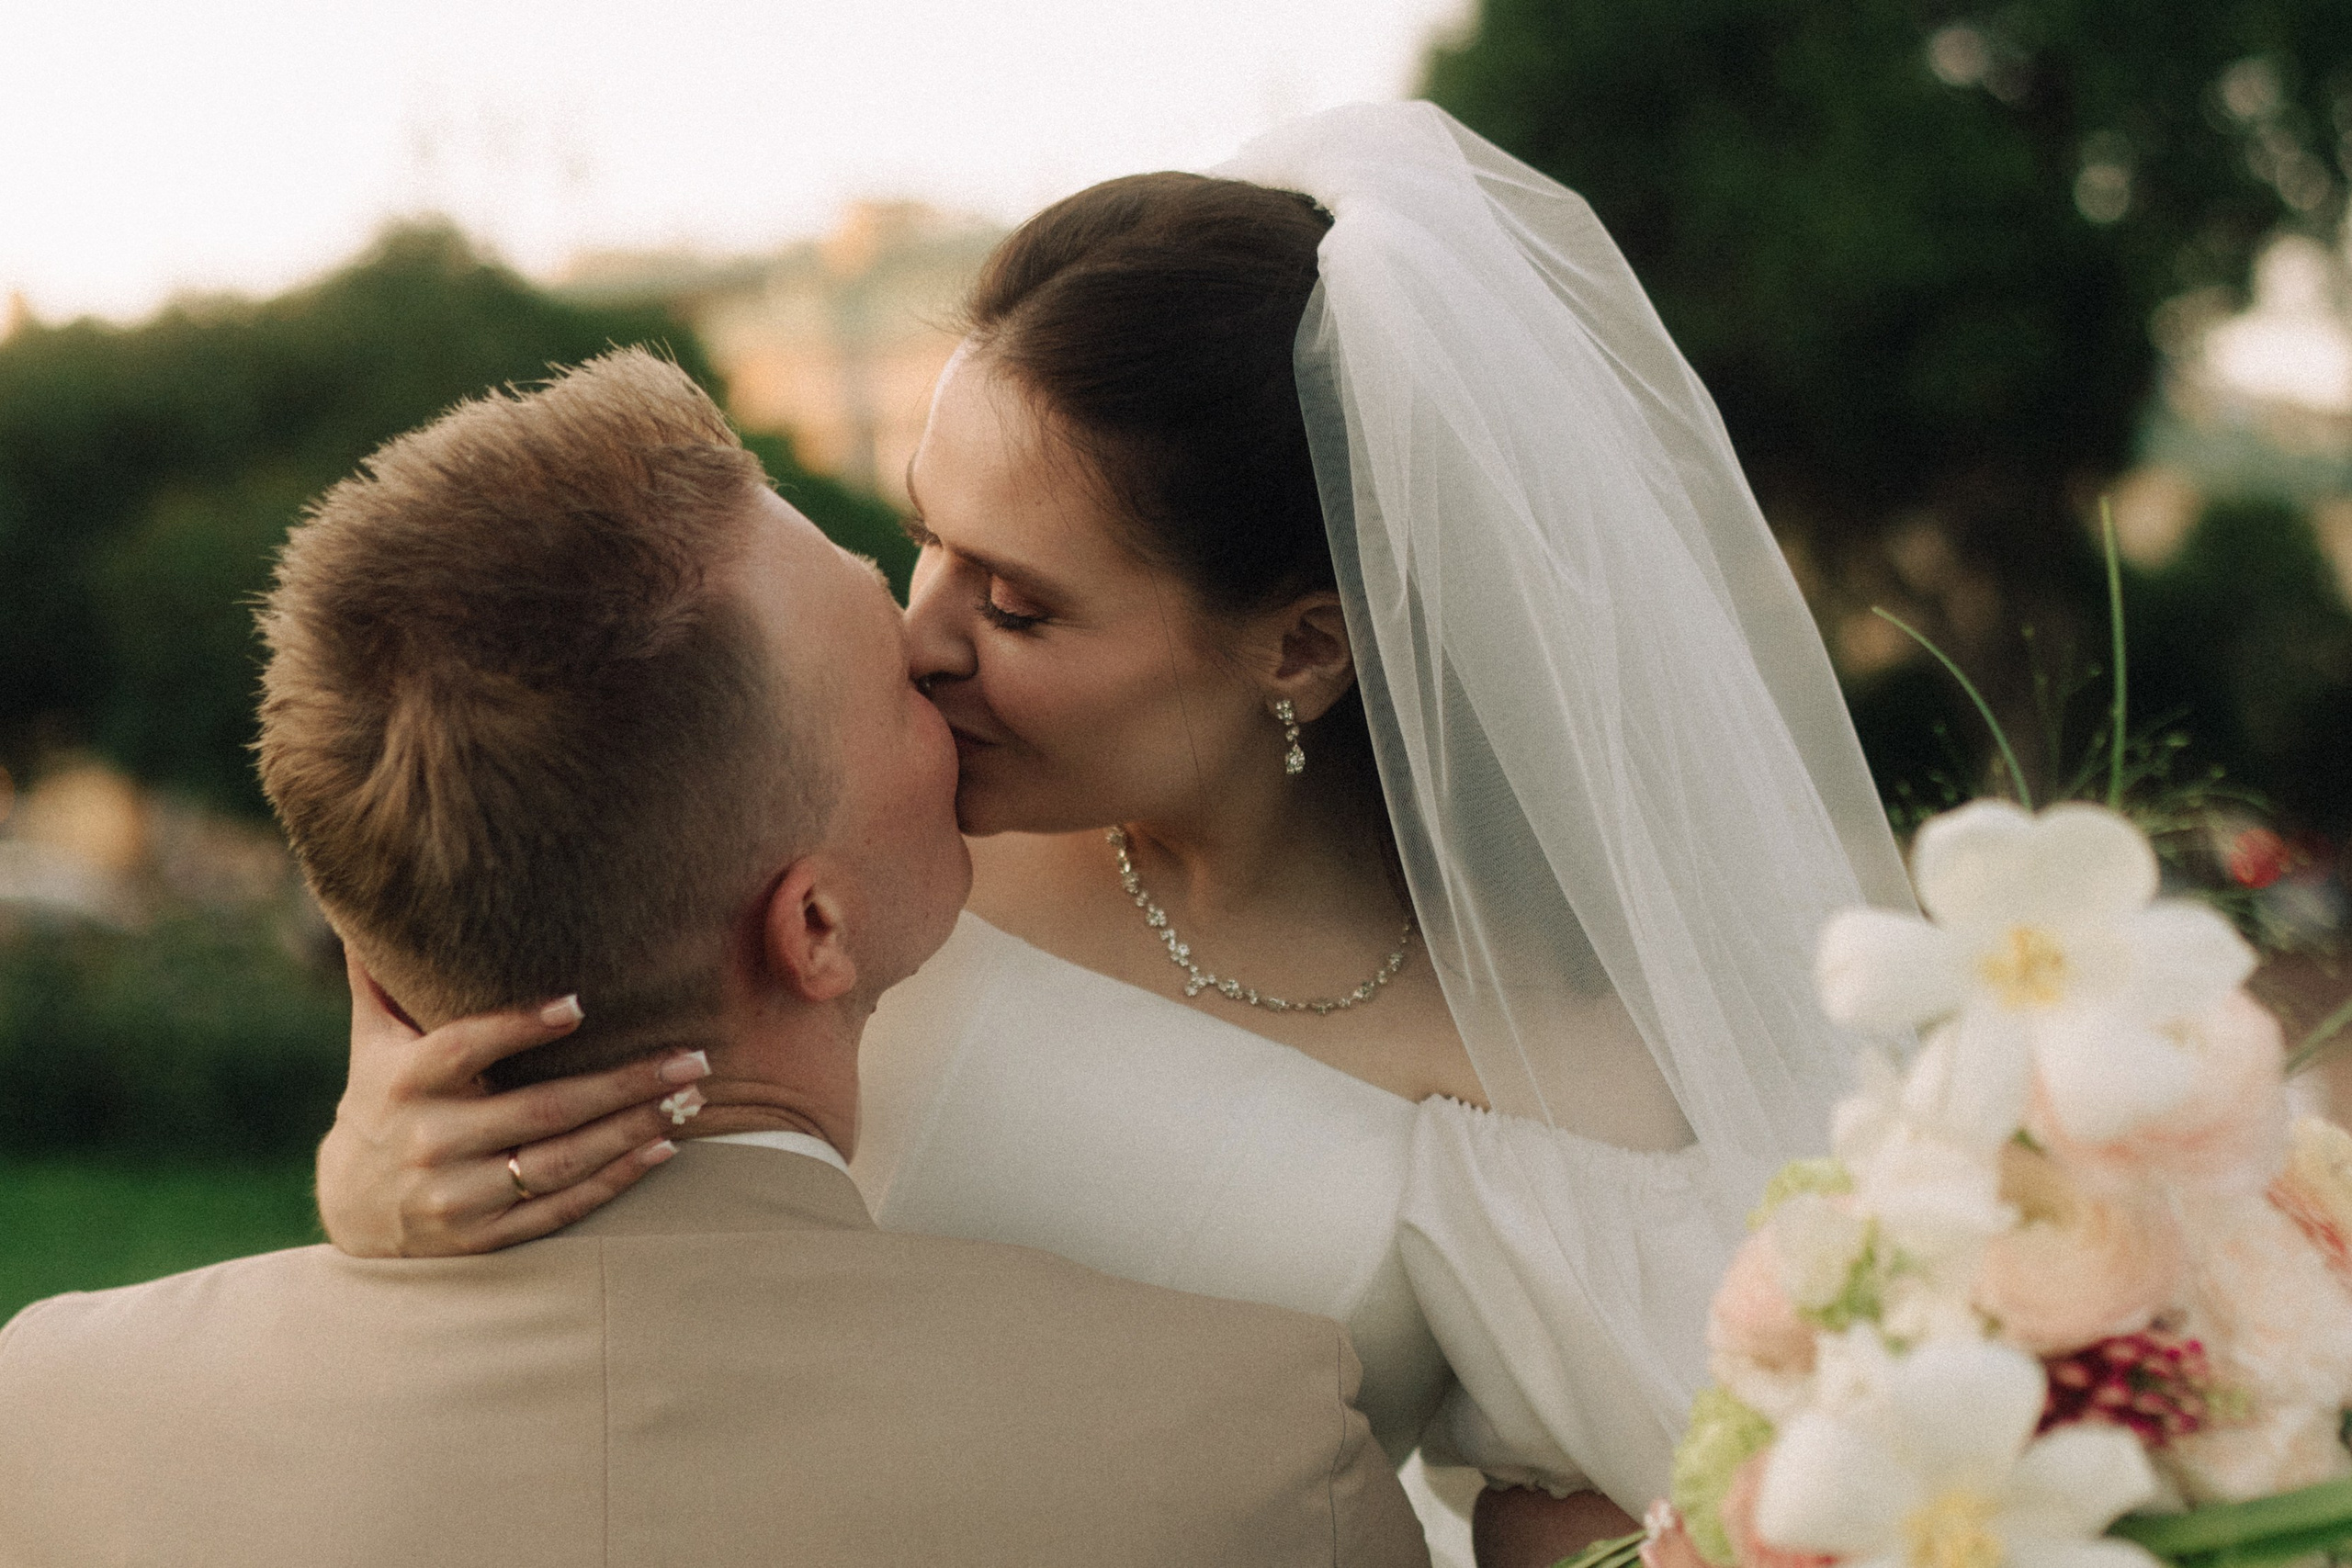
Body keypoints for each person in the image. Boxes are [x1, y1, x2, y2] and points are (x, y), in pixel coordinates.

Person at [309, 105, 1918, 1568]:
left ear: (1299, 647)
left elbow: (1633, 1499)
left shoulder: (1569, 1068)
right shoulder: (851, 839)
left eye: (1015, 602)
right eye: (924, 536)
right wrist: (374, 1191)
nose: (919, 637)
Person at [0, 350, 1429, 1568]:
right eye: (893, 678)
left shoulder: (46, 1420)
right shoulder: (1253, 1459)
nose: (948, 668)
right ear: (812, 928)